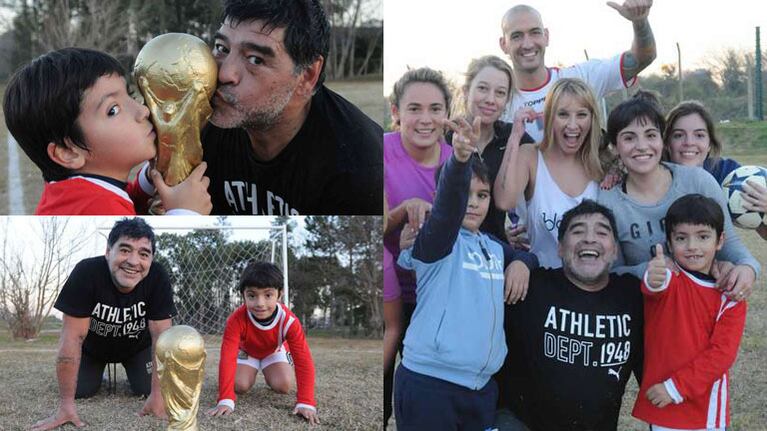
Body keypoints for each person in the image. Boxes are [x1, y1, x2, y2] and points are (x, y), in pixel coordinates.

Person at [394, 121, 538, 430]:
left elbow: (528, 255)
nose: (473, 203)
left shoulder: (495, 248)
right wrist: (459, 160)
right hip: (430, 384)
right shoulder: (437, 240)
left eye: (482, 195)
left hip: (481, 389)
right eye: (466, 194)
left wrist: (523, 263)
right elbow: (447, 211)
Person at [201, 0, 382, 215]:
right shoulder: (208, 123)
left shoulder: (360, 170)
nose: (224, 74)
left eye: (255, 59)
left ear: (307, 76)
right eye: (222, 48)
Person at [2, 47, 212, 215]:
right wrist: (186, 213)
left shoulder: (78, 193)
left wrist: (149, 179)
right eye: (113, 110)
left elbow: (122, 197)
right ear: (68, 152)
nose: (143, 110)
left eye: (129, 95)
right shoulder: (95, 209)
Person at [597, 94, 760, 300]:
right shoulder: (608, 202)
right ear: (615, 146)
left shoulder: (699, 181)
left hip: (702, 311)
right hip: (647, 317)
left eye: (650, 135)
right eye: (629, 137)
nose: (642, 145)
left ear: (662, 140)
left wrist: (749, 268)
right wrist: (645, 270)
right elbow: (610, 273)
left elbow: (731, 245)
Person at [499, 200, 643, 431]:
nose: (589, 238)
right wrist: (520, 259)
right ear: (560, 248)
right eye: (577, 231)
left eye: (601, 232)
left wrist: (722, 269)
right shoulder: (531, 287)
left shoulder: (633, 297)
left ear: (615, 250)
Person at [31, 218, 175, 431]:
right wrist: (66, 406)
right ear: (108, 251)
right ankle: (100, 374)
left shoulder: (158, 276)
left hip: (137, 347)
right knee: (81, 390)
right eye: (125, 250)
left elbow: (163, 338)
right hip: (94, 348)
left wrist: (158, 396)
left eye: (144, 254)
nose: (134, 261)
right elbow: (71, 337)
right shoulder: (87, 272)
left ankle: (140, 379)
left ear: (151, 259)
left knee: (145, 388)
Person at [632, 194, 747, 430]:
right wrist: (654, 277)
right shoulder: (669, 278)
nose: (692, 246)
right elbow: (655, 286)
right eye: (682, 238)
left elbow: (722, 354)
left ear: (720, 240)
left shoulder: (730, 294)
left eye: (703, 237)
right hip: (663, 406)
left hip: (703, 411)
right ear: (670, 244)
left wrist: (675, 388)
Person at [383, 66, 454, 428]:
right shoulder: (379, 151)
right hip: (389, 291)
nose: (425, 119)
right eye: (414, 109)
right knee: (380, 392)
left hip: (436, 298)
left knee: (421, 398)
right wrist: (403, 210)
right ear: (396, 112)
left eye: (435, 109)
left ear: (447, 114)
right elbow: (371, 223)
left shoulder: (457, 163)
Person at [498, 1, 656, 142]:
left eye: (535, 32)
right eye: (517, 36)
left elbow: (643, 58)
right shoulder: (495, 102)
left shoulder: (580, 79)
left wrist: (640, 22)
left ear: (546, 36)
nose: (527, 44)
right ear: (503, 44)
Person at [495, 78, 603, 270]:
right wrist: (514, 136)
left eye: (581, 115)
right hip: (545, 284)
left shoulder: (602, 162)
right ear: (549, 118)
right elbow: (504, 201)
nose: (572, 125)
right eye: (563, 114)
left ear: (592, 118)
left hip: (595, 286)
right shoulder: (531, 157)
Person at [207, 261, 318, 425]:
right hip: (248, 352)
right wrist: (225, 398)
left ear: (279, 294)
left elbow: (303, 360)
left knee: (284, 385)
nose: (260, 303)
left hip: (274, 351)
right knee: (240, 385)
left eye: (268, 295)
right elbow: (227, 358)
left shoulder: (289, 321)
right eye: (252, 295)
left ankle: (270, 371)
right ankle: (249, 370)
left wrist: (306, 402)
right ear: (243, 295)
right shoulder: (235, 320)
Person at [445, 55, 535, 241]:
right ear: (466, 91)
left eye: (500, 93)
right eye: (483, 89)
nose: (490, 99)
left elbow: (554, 155)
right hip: (451, 249)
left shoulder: (514, 137)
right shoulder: (446, 138)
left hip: (496, 250)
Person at [663, 100, 767, 240]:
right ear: (667, 144)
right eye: (678, 135)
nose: (689, 142)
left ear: (710, 144)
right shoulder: (654, 177)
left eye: (699, 135)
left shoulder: (726, 174)